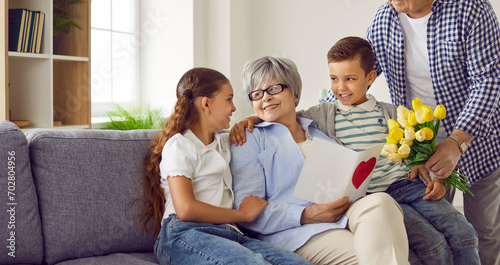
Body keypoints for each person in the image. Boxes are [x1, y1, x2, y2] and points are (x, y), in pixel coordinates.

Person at [334, 0, 499, 264]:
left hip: (479, 141)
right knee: (437, 233)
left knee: (484, 232)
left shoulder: (470, 7)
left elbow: (490, 81)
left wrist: (456, 143)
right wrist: (296, 118)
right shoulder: (385, 20)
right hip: (420, 151)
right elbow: (357, 77)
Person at [302, 37, 478, 264]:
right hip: (376, 198)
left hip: (410, 187)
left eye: (350, 79)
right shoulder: (322, 114)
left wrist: (436, 179)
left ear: (370, 78)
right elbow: (285, 117)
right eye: (334, 79)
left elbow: (419, 156)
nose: (340, 87)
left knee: (465, 234)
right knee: (433, 244)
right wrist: (251, 119)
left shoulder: (393, 112)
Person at [230, 56, 410, 265]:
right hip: (299, 232)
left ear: (295, 94)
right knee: (367, 257)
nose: (266, 98)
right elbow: (247, 210)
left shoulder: (319, 131)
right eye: (257, 94)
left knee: (381, 202)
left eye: (274, 89)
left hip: (344, 213)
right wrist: (305, 215)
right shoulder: (248, 140)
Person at [139, 67, 311, 265]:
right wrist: (241, 215)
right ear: (206, 103)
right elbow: (185, 209)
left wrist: (251, 118)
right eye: (229, 99)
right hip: (185, 232)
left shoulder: (224, 141)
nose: (234, 108)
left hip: (228, 233)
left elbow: (257, 123)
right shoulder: (180, 145)